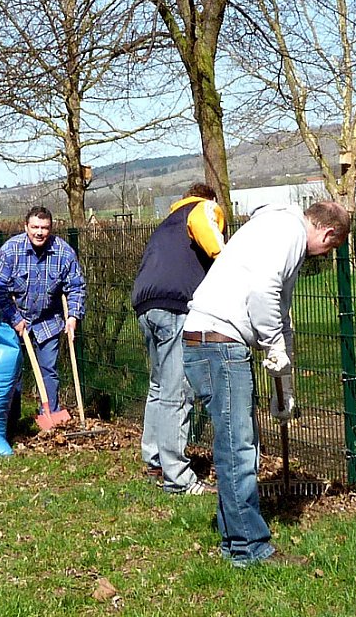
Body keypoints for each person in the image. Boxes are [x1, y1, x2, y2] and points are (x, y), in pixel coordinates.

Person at [182, 201, 350, 567]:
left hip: (211, 339)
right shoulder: (288, 232)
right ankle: (249, 548)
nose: (325, 254)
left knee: (235, 445)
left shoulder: (276, 229)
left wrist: (285, 390)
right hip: (218, 342)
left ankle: (235, 541)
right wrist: (272, 344)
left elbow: (281, 314)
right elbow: (264, 291)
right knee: (238, 448)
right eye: (331, 248)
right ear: (328, 232)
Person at [131, 183, 225, 495]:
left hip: (146, 307)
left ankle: (155, 457)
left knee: (159, 386)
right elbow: (210, 236)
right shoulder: (204, 208)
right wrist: (228, 264)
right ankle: (178, 477)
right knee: (177, 391)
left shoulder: (165, 225)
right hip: (175, 306)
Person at [0, 206, 86, 421]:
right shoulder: (10, 250)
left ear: (51, 229)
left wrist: (72, 316)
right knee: (13, 371)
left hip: (48, 320)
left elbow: (76, 287)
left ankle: (50, 416)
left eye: (44, 228)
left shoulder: (63, 252)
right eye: (35, 227)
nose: (39, 232)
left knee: (48, 370)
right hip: (15, 319)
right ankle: (10, 420)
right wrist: (15, 319)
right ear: (26, 227)